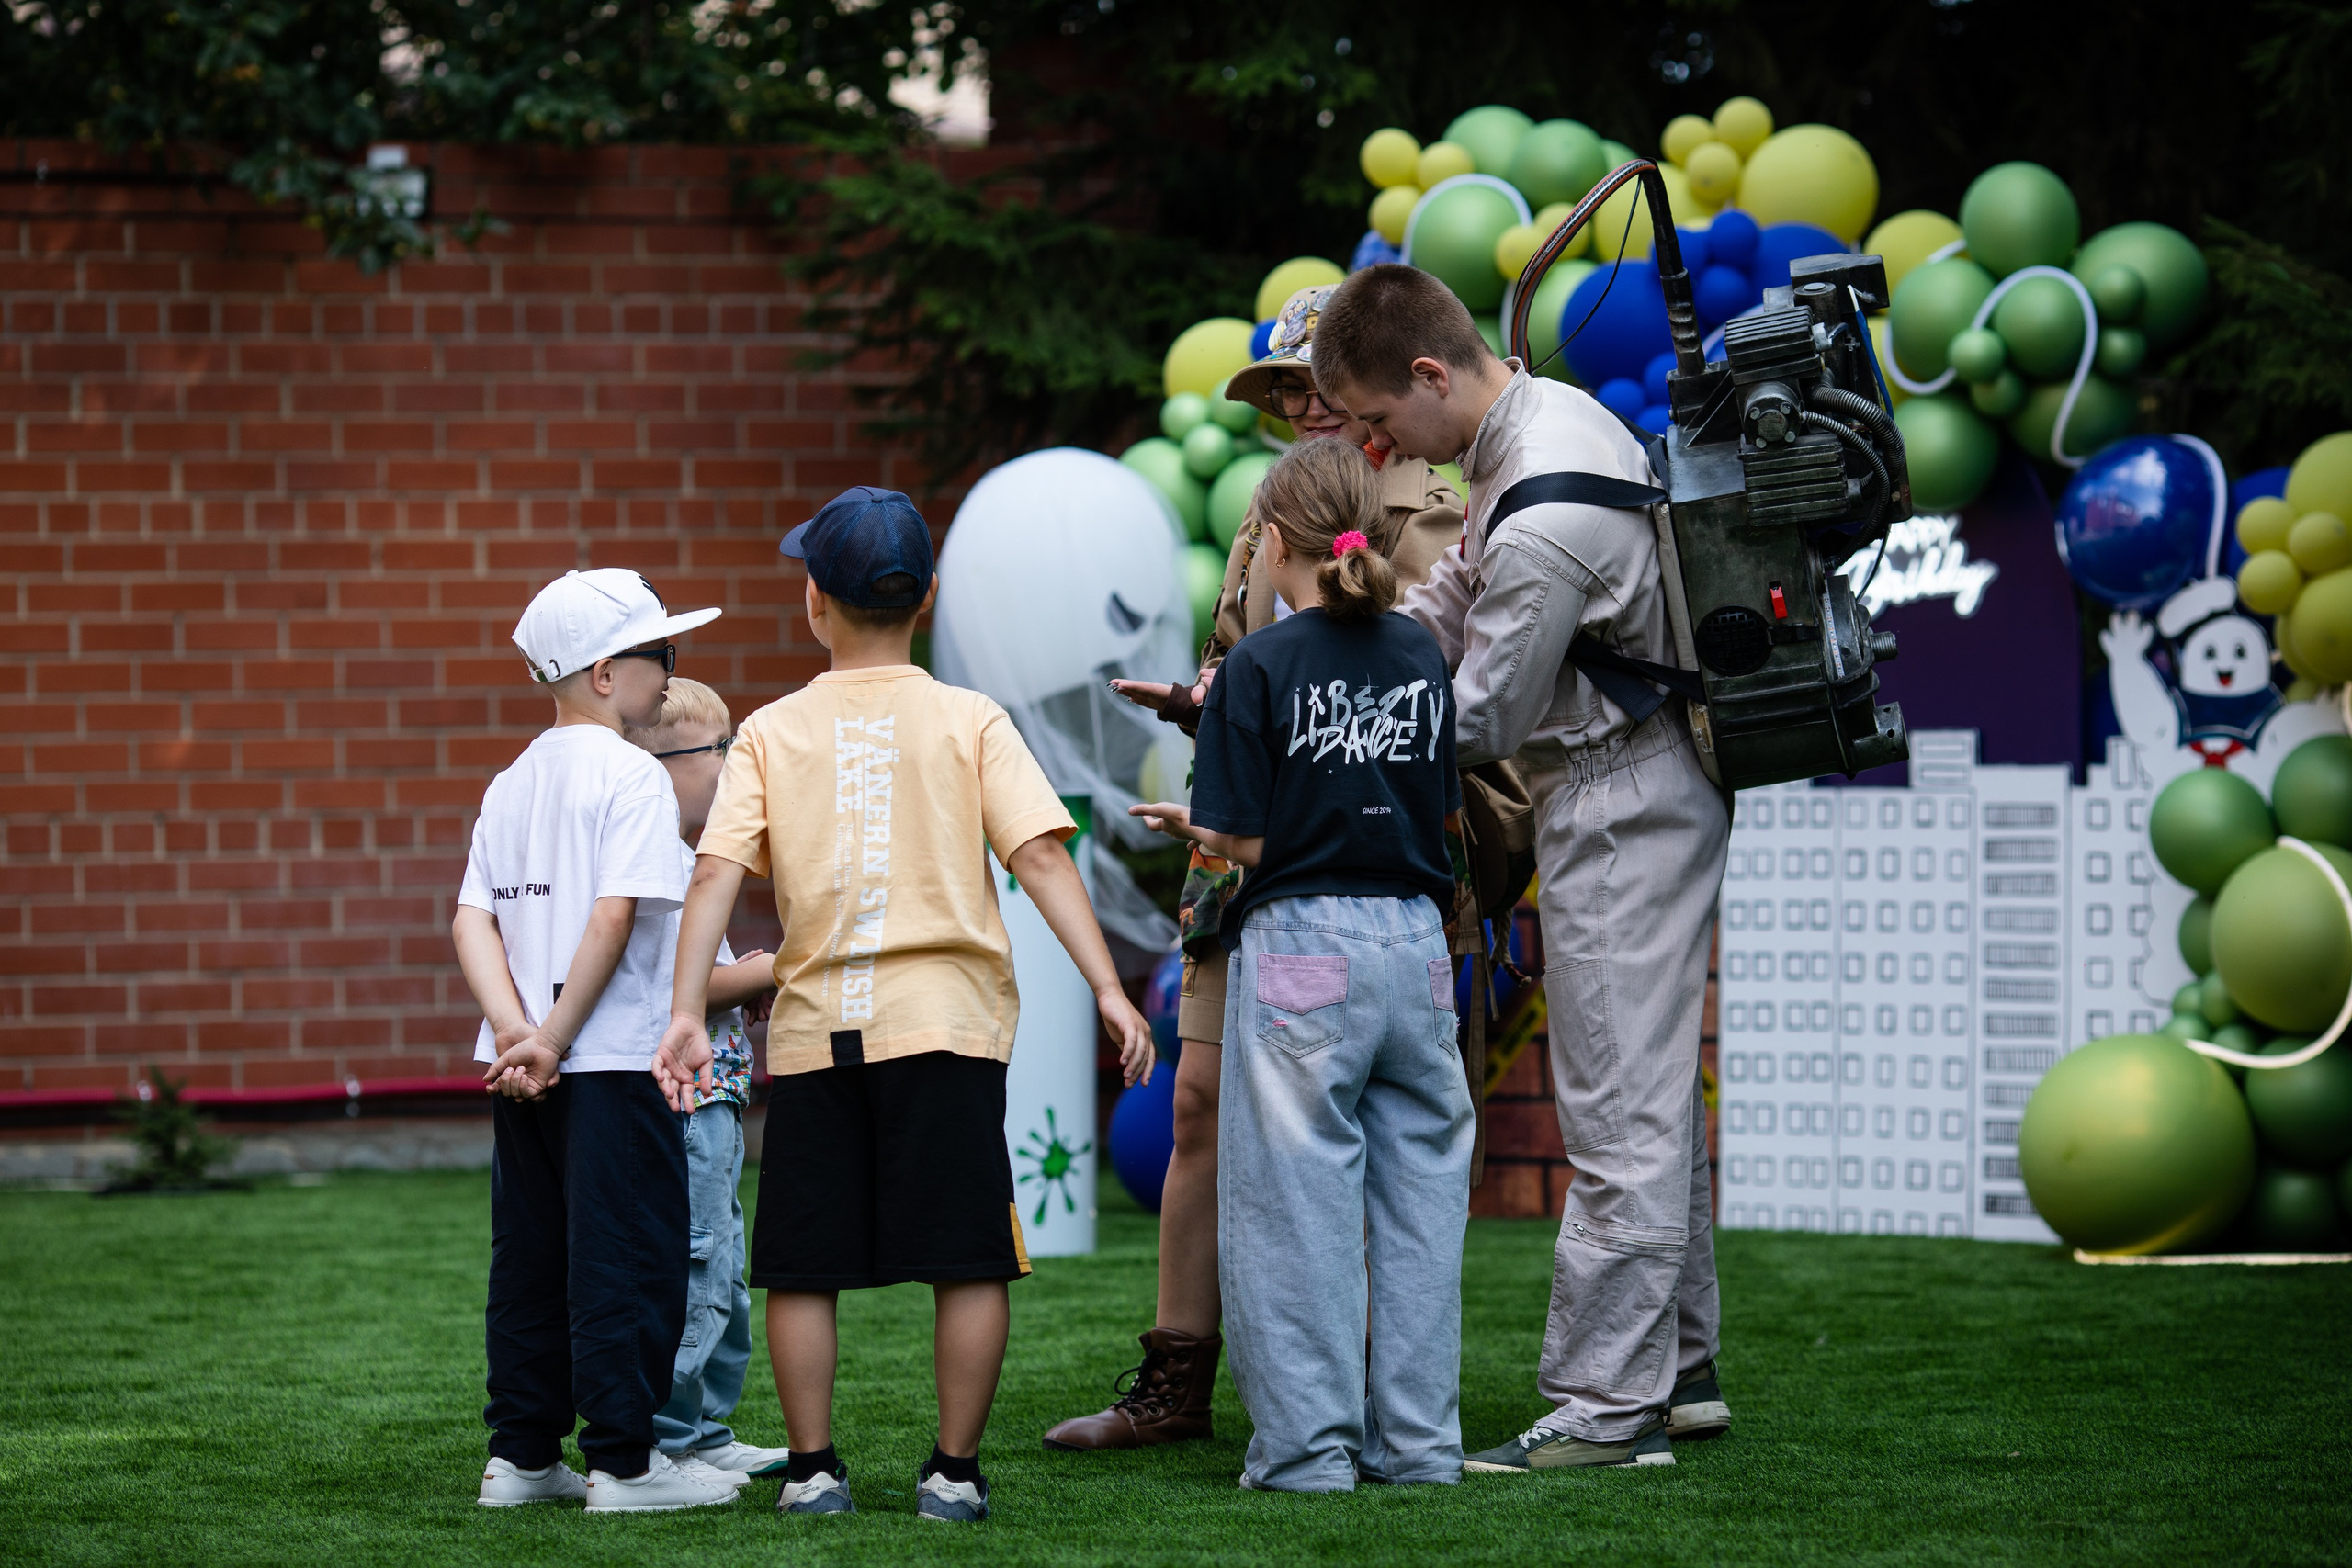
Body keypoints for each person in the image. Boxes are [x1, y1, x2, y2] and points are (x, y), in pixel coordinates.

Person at [652, 487, 1156, 1524]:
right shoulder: (972, 719)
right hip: (951, 1028)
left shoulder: (768, 731)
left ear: (812, 604)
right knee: (966, 1255)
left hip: (812, 1036)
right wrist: (1108, 986)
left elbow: (713, 877)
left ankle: (812, 1470)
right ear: (925, 599)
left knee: (800, 1265)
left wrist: (685, 1009)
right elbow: (1040, 856)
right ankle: (953, 1474)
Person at [1309, 263, 1732, 1472]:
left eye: (1383, 423)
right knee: (1642, 1090)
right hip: (1631, 782)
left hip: (1618, 793)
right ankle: (1680, 1367)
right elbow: (1445, 605)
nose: (1385, 451)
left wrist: (1327, 738)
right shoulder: (1538, 429)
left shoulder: (1542, 509)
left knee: (1618, 1107)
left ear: (1432, 373)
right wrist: (1310, 669)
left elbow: (1482, 716)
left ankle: (1608, 1404)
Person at [1046, 284, 1466, 1454]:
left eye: (1308, 383)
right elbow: (1280, 685)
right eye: (1277, 391)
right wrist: (1198, 708)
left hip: (1366, 878)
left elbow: (1441, 709)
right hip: (1253, 878)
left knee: (1354, 1154)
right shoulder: (1270, 509)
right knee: (1199, 1109)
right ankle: (1184, 1384)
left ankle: (1353, 1425)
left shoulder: (1431, 505)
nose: (1295, 407)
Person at [1128, 436, 1474, 1492]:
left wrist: (1199, 821)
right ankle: (1418, 1449)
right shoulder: (1419, 652)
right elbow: (1437, 817)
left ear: (1270, 541)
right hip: (1415, 948)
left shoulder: (1258, 667)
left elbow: (1242, 844)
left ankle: (1307, 1455)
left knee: (1292, 1211)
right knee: (1420, 1211)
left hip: (1300, 954)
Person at [453, 568, 742, 1513]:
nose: (670, 674)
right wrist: (559, 1037)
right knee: (631, 1258)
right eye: (662, 656)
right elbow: (617, 914)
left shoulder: (511, 779)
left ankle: (523, 1457)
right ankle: (623, 1465)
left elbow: (471, 923)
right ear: (608, 675)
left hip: (523, 1069)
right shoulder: (631, 774)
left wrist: (515, 1033)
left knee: (530, 1258)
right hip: (614, 1063)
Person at [622, 678, 793, 1488]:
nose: (730, 763)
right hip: (684, 1104)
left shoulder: (694, 859)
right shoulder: (656, 860)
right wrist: (772, 966)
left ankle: (707, 1425)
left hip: (718, 1100)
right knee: (694, 1266)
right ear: (656, 765)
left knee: (724, 1268)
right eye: (715, 749)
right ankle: (663, 1436)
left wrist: (740, 979)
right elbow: (670, 994)